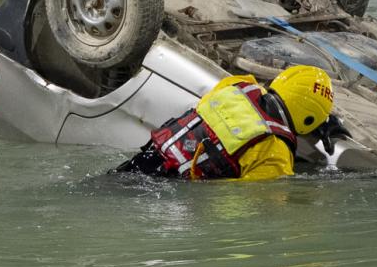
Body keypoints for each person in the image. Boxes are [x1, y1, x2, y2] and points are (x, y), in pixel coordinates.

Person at [116, 65, 348, 181]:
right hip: (167, 189)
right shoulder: (275, 152)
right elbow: (257, 205)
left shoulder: (238, 84)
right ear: (310, 118)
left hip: (140, 163)